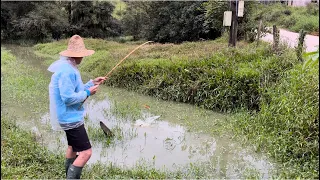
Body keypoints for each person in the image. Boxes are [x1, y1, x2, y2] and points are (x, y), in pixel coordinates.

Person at [47, 35, 106, 179]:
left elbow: (74, 91)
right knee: (86, 152)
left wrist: (91, 83)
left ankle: (68, 175)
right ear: (76, 55)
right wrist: (87, 92)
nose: (83, 58)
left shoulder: (68, 66)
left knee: (72, 148)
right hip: (70, 118)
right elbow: (68, 98)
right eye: (82, 55)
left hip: (67, 116)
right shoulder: (67, 71)